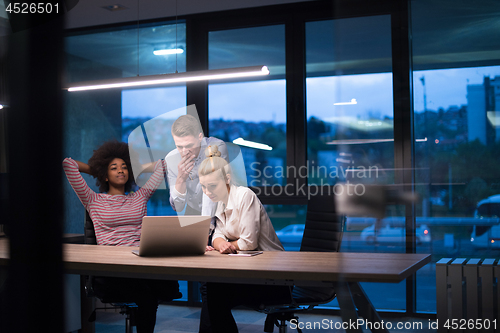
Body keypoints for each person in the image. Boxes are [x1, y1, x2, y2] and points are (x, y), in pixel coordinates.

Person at [62, 140, 179, 333]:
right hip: (112, 270)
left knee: (157, 288)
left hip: (140, 264)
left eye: (124, 167)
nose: (120, 171)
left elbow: (162, 165)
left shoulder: (139, 197)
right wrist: (99, 170)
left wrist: (134, 168)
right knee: (147, 296)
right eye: (114, 168)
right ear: (105, 174)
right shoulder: (92, 200)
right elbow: (69, 164)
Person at [198, 145, 291, 333]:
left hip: (274, 278)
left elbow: (249, 244)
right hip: (248, 273)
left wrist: (223, 245)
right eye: (203, 187)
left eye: (212, 186)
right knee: (211, 289)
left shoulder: (244, 196)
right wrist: (219, 243)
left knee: (212, 291)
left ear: (227, 179)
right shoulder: (218, 201)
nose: (207, 192)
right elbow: (217, 235)